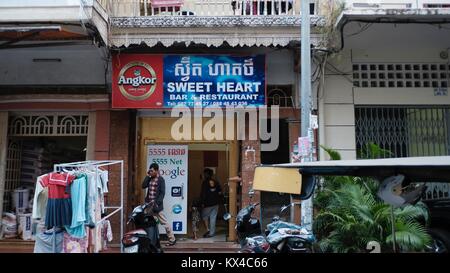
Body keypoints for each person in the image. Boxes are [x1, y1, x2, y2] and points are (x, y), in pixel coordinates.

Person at [142, 163, 176, 246]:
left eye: (152, 171)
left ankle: (172, 239)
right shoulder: (149, 179)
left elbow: (162, 193)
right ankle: (149, 239)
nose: (151, 172)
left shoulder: (161, 179)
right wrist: (147, 176)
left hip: (156, 205)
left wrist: (157, 203)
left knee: (164, 222)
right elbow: (143, 186)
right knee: (147, 222)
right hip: (149, 205)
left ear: (157, 171)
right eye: (150, 170)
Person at [200, 168, 223, 238]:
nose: (203, 175)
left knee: (204, 216)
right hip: (216, 203)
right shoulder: (216, 182)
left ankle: (207, 229)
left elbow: (203, 194)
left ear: (206, 174)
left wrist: (202, 202)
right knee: (213, 218)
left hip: (207, 203)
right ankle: (211, 233)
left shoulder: (205, 182)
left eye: (204, 174)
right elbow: (220, 192)